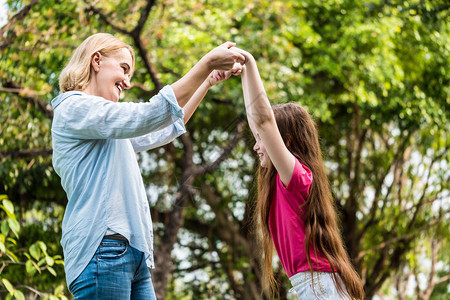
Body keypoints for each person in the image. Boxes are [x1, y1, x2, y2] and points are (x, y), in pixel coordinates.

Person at [51, 32, 244, 299]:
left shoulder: (107, 126)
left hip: (132, 255)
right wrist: (207, 62)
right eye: (124, 68)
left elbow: (162, 128)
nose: (128, 82)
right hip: (102, 251)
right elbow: (148, 115)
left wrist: (206, 82)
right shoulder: (74, 108)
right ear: (96, 61)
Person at [234, 48, 364, 299]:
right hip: (315, 287)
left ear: (288, 141)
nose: (255, 146)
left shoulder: (297, 180)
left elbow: (264, 122)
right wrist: (243, 72)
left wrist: (250, 60)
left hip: (321, 288)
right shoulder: (284, 181)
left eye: (262, 141)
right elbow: (257, 121)